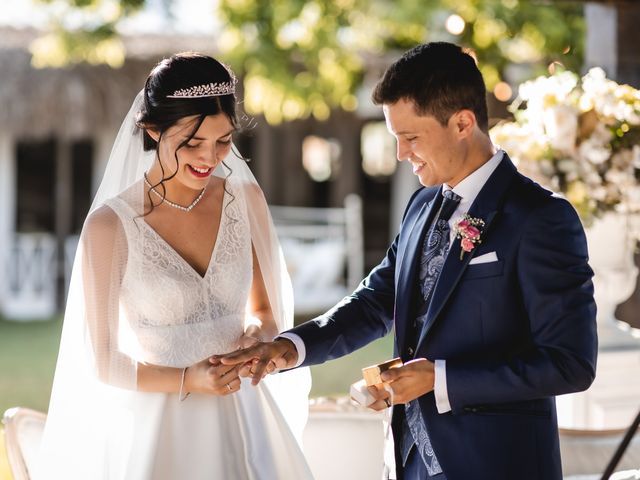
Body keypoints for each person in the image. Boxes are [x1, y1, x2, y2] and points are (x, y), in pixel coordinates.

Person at [219, 42, 598, 480]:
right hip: (408, 463)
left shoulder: (541, 218)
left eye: (411, 138)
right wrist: (288, 347)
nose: (401, 154)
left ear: (462, 123)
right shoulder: (420, 206)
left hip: (496, 464)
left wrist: (439, 378)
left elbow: (570, 363)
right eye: (395, 137)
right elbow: (375, 302)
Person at [35, 52, 313, 480]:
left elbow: (265, 312)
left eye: (223, 141)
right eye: (192, 143)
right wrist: (188, 380)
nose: (210, 157)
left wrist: (256, 338)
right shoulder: (110, 226)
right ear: (152, 130)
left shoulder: (245, 201)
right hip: (162, 429)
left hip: (245, 415)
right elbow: (104, 360)